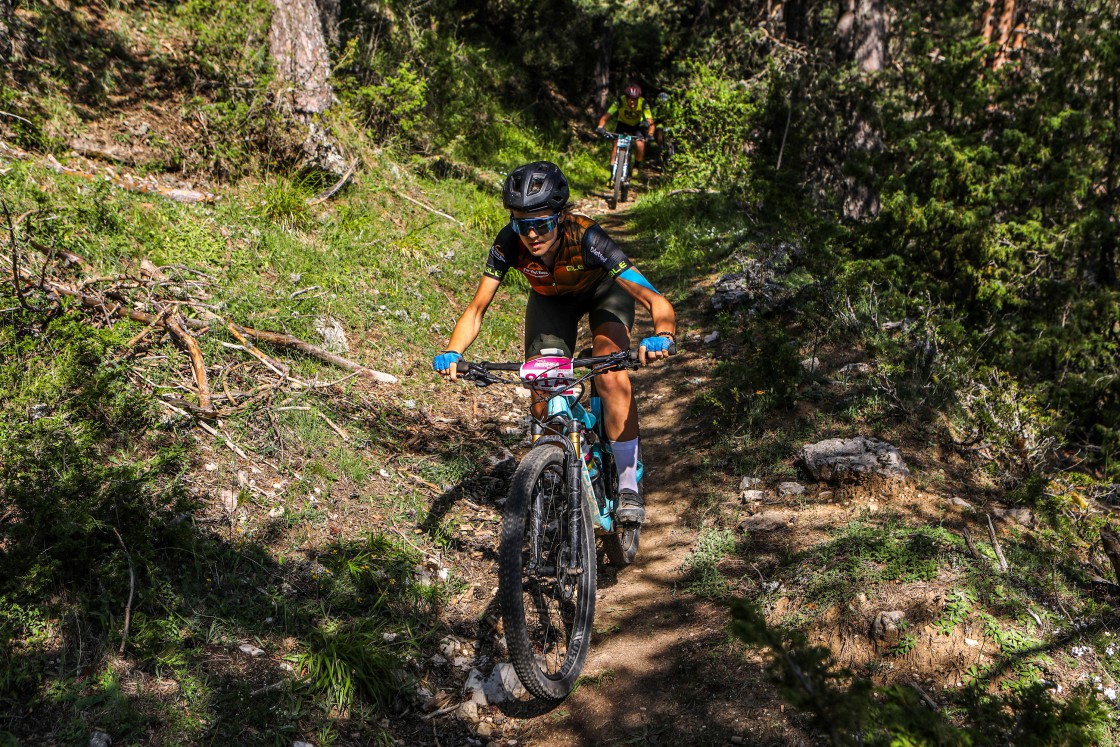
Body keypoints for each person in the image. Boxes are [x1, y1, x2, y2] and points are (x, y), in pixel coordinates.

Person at [432, 161, 677, 525]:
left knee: (609, 371)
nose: (532, 236)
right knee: (544, 388)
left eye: (542, 224)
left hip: (603, 293)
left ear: (560, 217)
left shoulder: (588, 238)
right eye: (522, 225)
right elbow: (477, 308)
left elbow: (654, 299)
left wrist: (663, 335)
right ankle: (551, 477)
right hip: (550, 301)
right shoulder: (508, 244)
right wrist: (454, 351)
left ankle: (627, 483)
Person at [595, 83, 655, 182]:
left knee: (640, 144)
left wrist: (650, 135)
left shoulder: (643, 103)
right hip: (622, 124)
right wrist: (600, 127)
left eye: (635, 99)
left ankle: (636, 166)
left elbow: (651, 123)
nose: (632, 101)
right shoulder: (620, 101)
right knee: (615, 144)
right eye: (630, 99)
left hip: (637, 125)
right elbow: (607, 115)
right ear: (626, 97)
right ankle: (612, 175)